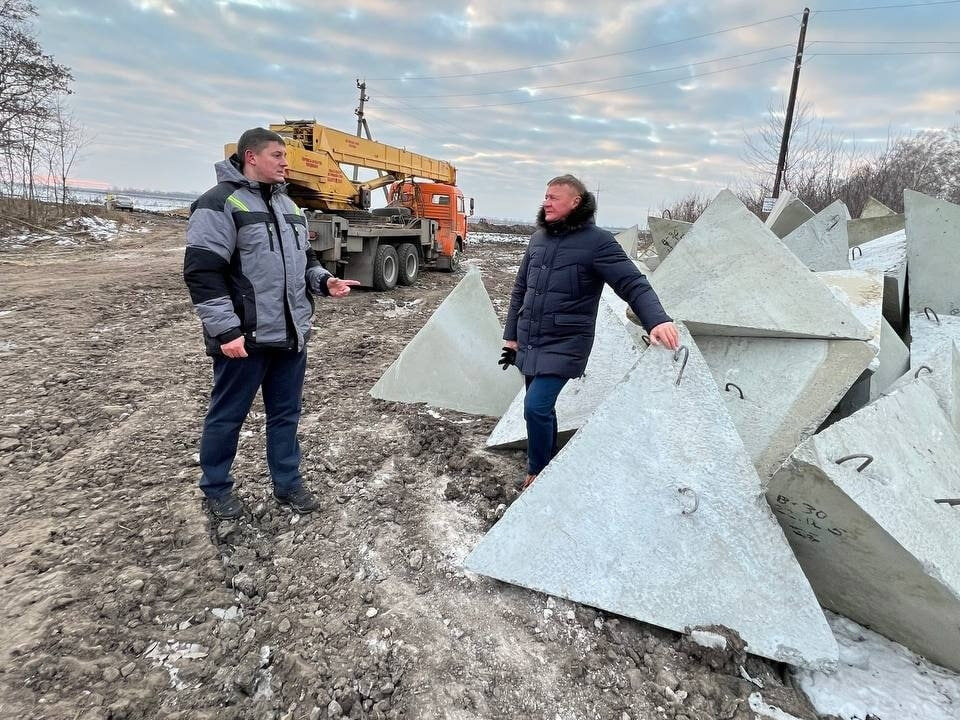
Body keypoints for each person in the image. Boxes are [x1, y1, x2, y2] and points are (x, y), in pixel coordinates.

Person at [183, 127, 358, 520]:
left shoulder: (290, 207)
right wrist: (225, 331)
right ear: (251, 157)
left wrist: (324, 281)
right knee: (227, 415)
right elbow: (202, 273)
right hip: (244, 338)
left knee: (285, 415)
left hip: (291, 335)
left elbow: (306, 262)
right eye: (278, 155)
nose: (285, 162)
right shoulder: (217, 204)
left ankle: (287, 482)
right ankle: (215, 488)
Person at [500, 174, 679, 489]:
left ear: (575, 202)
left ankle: (538, 470)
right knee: (539, 406)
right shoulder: (538, 238)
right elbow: (521, 288)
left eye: (554, 197)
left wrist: (657, 319)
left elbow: (632, 283)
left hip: (566, 341)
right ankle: (547, 455)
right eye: (545, 196)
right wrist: (511, 333)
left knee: (535, 406)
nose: (546, 202)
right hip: (531, 339)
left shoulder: (597, 242)